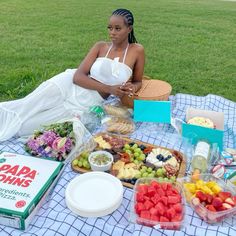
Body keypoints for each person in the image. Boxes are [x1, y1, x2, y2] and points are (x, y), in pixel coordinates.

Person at [0, 8, 145, 141]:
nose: (112, 32)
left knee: (25, 128)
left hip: (86, 102)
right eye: (110, 28)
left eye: (117, 28)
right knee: (26, 105)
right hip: (67, 84)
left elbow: (138, 81)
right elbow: (78, 77)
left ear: (129, 29)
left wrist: (133, 87)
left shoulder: (137, 51)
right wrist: (110, 89)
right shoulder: (101, 46)